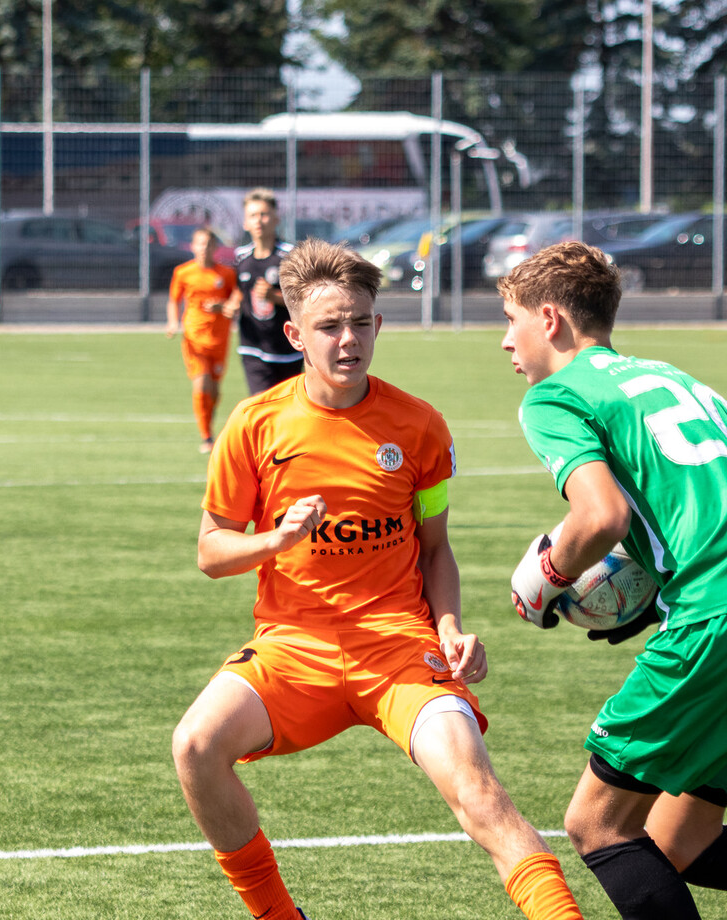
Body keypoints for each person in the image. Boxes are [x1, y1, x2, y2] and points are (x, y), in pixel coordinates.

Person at [172, 238, 585, 920]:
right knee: (194, 745)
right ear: (294, 333)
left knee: (479, 791)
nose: (348, 339)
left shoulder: (418, 426)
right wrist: (277, 538)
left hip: (398, 649)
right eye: (329, 326)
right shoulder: (253, 423)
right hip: (292, 647)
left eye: (360, 323)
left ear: (378, 326)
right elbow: (211, 551)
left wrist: (450, 627)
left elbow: (435, 551)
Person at [500, 240, 727, 920]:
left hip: (713, 613)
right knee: (676, 839)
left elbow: (600, 516)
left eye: (508, 320)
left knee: (597, 825)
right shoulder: (677, 378)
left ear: (549, 320)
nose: (504, 342)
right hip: (707, 600)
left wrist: (545, 577)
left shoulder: (555, 396)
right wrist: (656, 586)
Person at [166, 227, 240, 453]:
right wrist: (172, 322)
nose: (204, 248)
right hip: (194, 338)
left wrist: (225, 307)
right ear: (192, 246)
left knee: (215, 390)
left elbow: (235, 297)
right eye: (200, 244)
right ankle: (206, 436)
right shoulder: (183, 272)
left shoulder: (225, 274)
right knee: (201, 384)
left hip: (219, 339)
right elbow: (173, 300)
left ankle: (209, 421)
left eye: (208, 244)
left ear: (215, 247)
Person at [233, 187, 304, 394]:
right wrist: (230, 304)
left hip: (287, 349)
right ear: (245, 223)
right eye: (253, 215)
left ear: (276, 219)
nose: (258, 220)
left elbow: (303, 299)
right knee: (260, 404)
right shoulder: (241, 257)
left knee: (286, 409)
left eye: (264, 214)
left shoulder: (290, 255)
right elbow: (238, 291)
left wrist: (273, 296)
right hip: (252, 347)